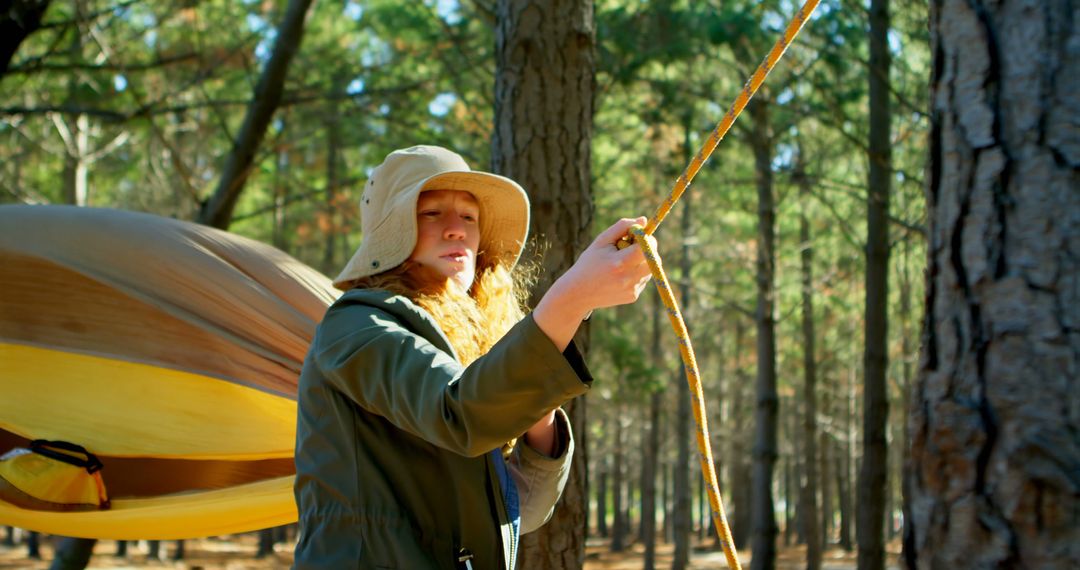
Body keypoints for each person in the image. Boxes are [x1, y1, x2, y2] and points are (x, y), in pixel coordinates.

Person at [293, 145, 654, 569]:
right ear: (391, 233)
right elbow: (458, 413)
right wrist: (571, 301)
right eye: (431, 213)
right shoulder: (357, 324)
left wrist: (536, 406)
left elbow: (524, 508)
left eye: (469, 216)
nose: (456, 229)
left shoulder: (471, 342)